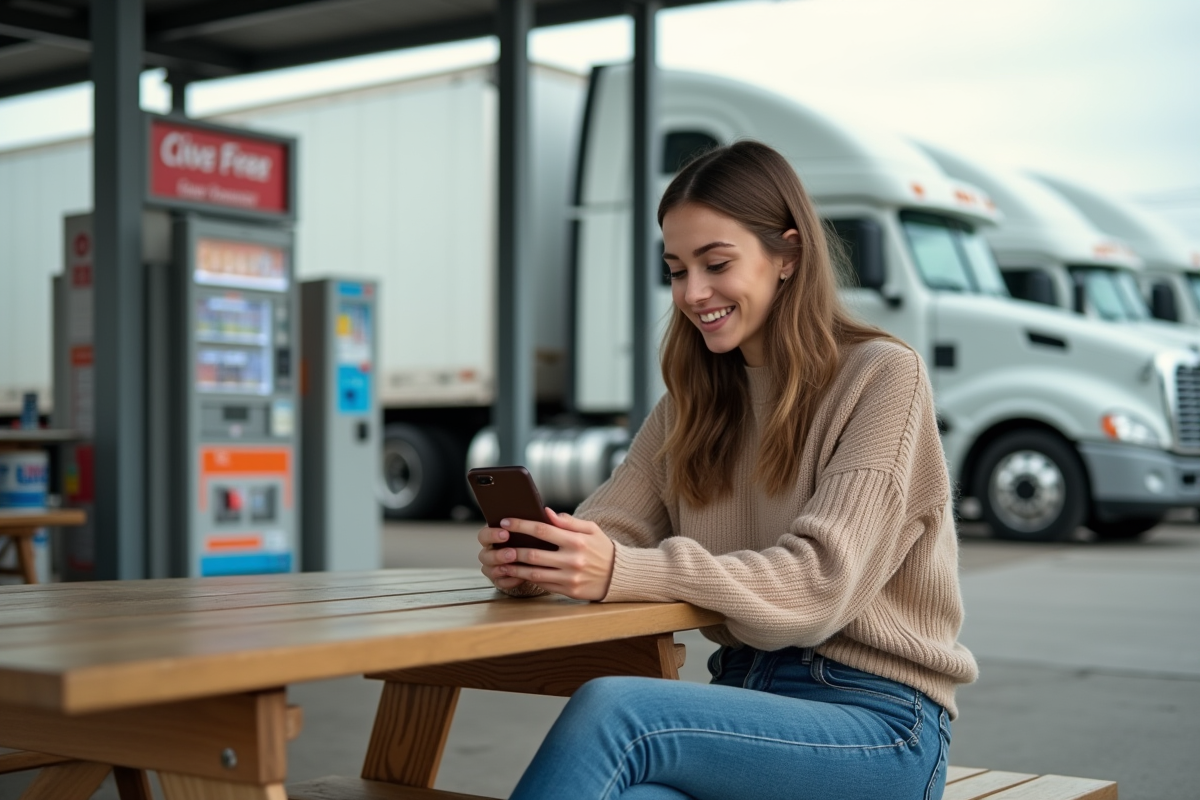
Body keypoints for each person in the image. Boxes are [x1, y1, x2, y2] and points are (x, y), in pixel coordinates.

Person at [477, 140, 978, 800]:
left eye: (715, 264)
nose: (692, 293)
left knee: (618, 714)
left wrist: (617, 569)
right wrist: (543, 560)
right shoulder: (693, 402)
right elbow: (612, 530)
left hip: (880, 725)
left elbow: (817, 586)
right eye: (676, 269)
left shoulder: (883, 378)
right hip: (743, 706)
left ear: (788, 256)